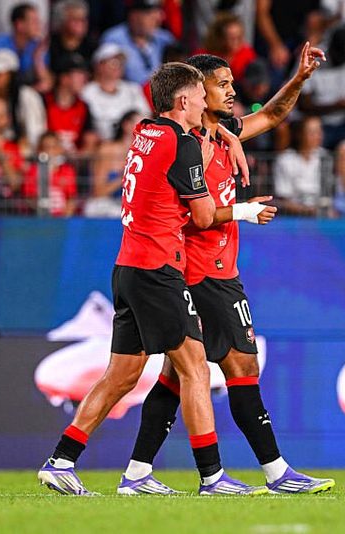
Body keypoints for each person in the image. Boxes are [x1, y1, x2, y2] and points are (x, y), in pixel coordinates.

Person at [117, 49, 336, 495]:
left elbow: (272, 114)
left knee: (175, 377)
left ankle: (137, 471)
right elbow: (194, 213)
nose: (232, 90)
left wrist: (299, 76)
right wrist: (241, 211)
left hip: (213, 267)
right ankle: (276, 473)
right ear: (196, 92)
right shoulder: (186, 142)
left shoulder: (221, 133)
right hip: (201, 270)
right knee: (241, 363)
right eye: (221, 84)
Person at [38, 61, 258, 496]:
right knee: (195, 369)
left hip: (128, 268)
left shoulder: (146, 131)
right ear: (182, 101)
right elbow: (203, 215)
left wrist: (228, 134)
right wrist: (247, 210)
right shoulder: (183, 144)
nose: (203, 105)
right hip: (159, 269)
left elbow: (183, 148)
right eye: (199, 96)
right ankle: (212, 476)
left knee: (121, 375)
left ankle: (63, 460)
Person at [81, 43, 151, 140]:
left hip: (133, 143)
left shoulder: (133, 89)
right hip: (102, 145)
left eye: (121, 62)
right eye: (114, 62)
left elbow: (145, 118)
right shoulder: (87, 92)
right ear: (99, 65)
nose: (118, 66)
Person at [100, 0, 176, 85]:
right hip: (129, 95)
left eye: (157, 12)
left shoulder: (165, 39)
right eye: (149, 13)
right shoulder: (114, 39)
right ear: (133, 16)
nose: (156, 19)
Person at [86, 110, 141, 218]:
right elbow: (98, 191)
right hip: (107, 204)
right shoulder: (107, 150)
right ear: (126, 125)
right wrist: (124, 177)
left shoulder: (146, 152)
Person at [43, 53, 98, 157]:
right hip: (47, 159)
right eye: (79, 74)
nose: (85, 79)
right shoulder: (44, 102)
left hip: (74, 163)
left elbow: (90, 139)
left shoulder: (84, 107)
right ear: (64, 78)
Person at [273, 116, 328, 216]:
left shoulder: (325, 157)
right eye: (312, 132)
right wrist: (304, 210)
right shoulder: (285, 159)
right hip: (291, 214)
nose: (318, 136)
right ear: (300, 134)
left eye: (319, 131)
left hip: (320, 212)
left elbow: (328, 193)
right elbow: (283, 197)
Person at [0, 3, 45, 86]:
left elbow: (46, 81)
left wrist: (37, 58)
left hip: (24, 92)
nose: (38, 26)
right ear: (19, 25)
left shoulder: (37, 46)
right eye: (34, 21)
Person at [22, 131, 78, 217]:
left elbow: (71, 199)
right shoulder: (33, 171)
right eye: (47, 147)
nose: (51, 151)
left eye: (54, 147)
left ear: (60, 149)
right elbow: (30, 198)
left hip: (62, 219)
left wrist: (65, 217)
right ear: (40, 151)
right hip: (40, 218)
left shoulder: (67, 171)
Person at [196, 12, 256, 84]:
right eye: (232, 38)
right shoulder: (202, 57)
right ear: (220, 38)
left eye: (239, 37)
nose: (236, 42)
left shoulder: (247, 54)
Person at [47, 0, 97, 75]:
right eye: (75, 19)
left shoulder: (93, 46)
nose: (81, 24)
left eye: (83, 19)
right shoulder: (49, 45)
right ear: (62, 22)